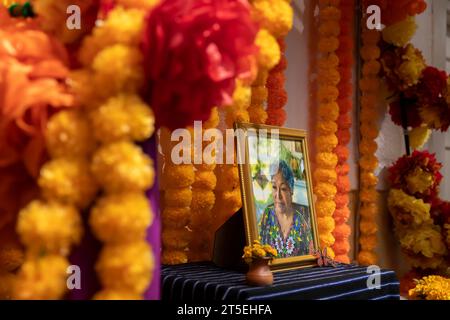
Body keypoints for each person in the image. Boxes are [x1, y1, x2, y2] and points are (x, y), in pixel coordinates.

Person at [259, 160, 313, 258]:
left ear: (291, 191)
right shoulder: (267, 215)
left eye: (283, 189)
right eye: (274, 187)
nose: (278, 195)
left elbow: (310, 255)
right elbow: (258, 251)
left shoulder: (303, 219)